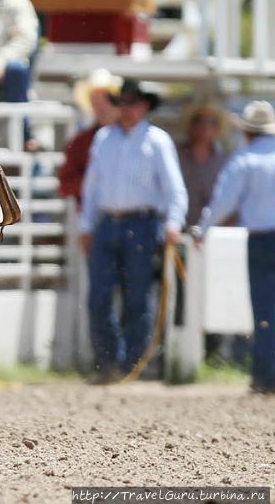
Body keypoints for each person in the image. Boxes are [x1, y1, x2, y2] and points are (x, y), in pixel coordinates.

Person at [79, 79, 187, 383]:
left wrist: (173, 224)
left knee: (137, 296)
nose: (127, 109)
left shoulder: (157, 141)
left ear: (144, 107)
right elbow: (92, 187)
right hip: (108, 222)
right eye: (124, 103)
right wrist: (86, 225)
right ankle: (109, 363)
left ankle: (130, 366)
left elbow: (174, 189)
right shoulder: (104, 138)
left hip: (142, 223)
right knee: (99, 296)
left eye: (133, 103)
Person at [191, 101, 275, 394]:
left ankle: (266, 377)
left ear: (248, 132)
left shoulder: (244, 160)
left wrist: (202, 229)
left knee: (264, 308)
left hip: (263, 240)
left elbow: (223, 202)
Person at [58, 68, 122, 204]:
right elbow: (65, 185)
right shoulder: (81, 142)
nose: (101, 108)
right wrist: (96, 183)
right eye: (96, 102)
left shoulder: (131, 136)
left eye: (106, 100)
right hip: (93, 214)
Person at [176, 102, 229, 228]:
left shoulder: (225, 162)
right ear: (191, 125)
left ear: (217, 128)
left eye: (212, 122)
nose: (205, 126)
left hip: (213, 231)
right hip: (178, 229)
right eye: (199, 121)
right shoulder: (174, 155)